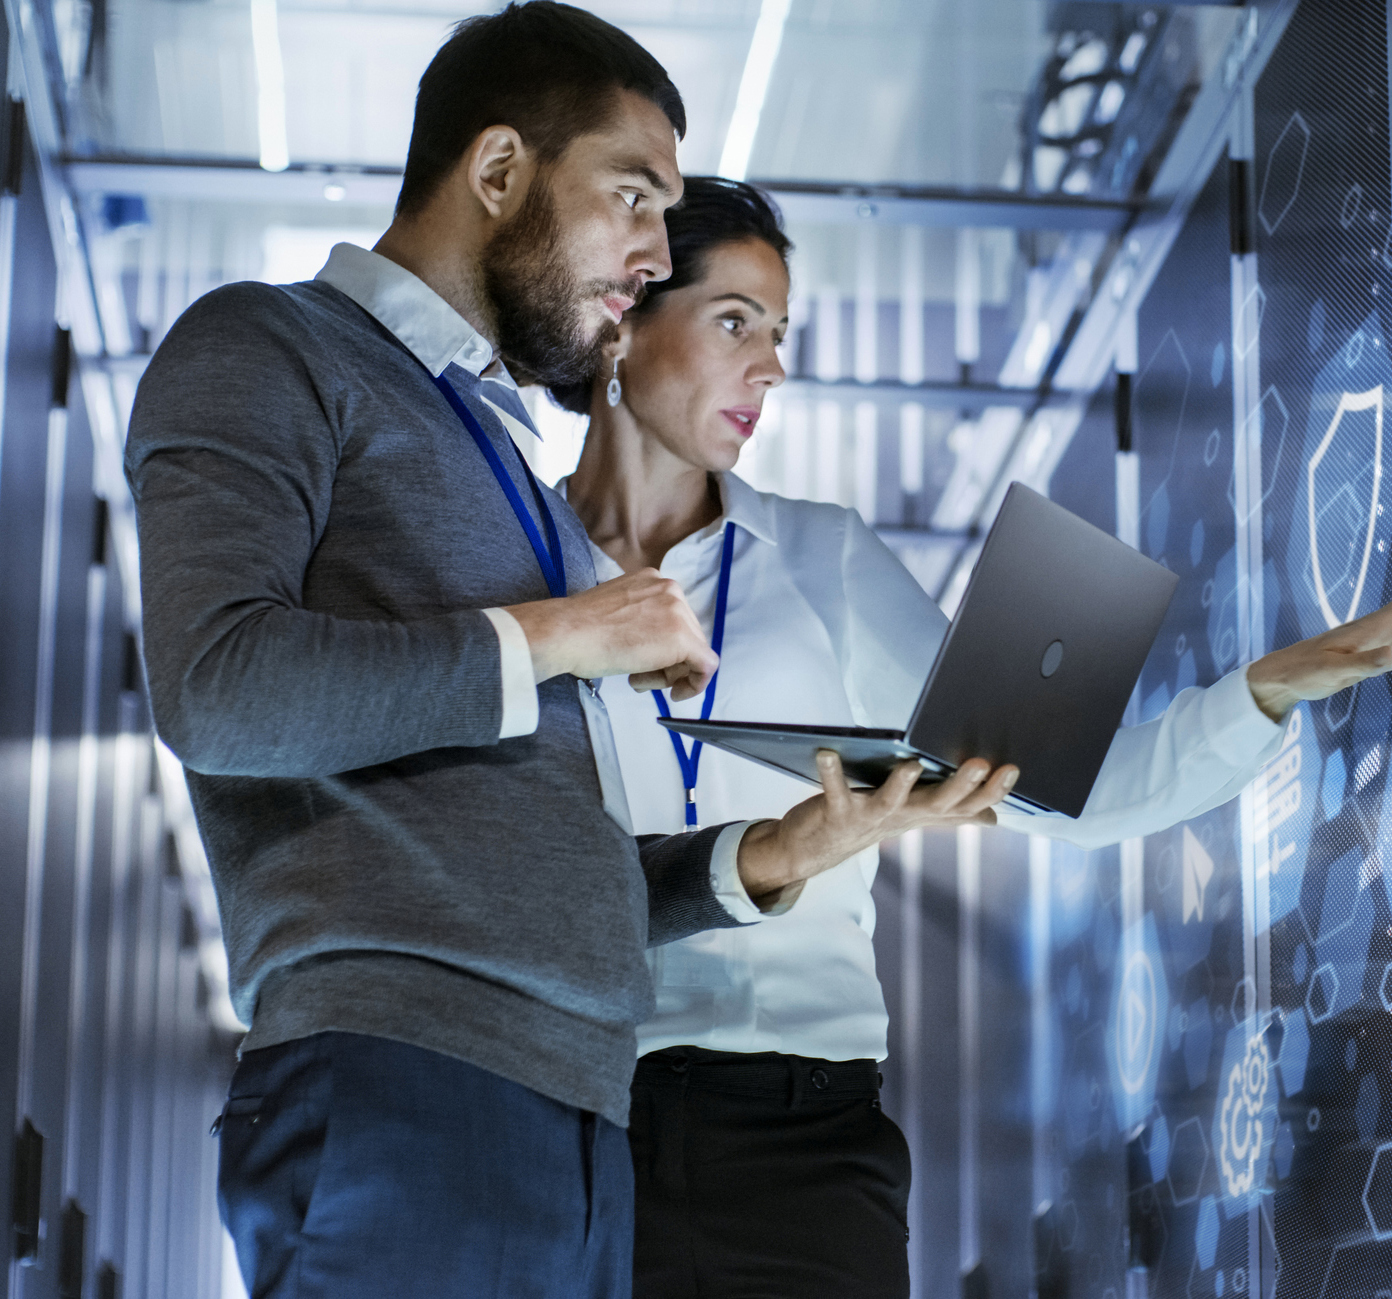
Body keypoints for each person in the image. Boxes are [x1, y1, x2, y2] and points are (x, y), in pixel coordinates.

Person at [124, 11, 1013, 1298]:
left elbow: (547, 865)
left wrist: (775, 857)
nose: (651, 253)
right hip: (405, 1082)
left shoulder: (510, 475)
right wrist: (567, 632)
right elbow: (219, 688)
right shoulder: (268, 346)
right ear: (497, 174)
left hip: (580, 1120)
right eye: (632, 198)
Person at [549, 176, 1392, 1298]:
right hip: (575, 1121)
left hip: (803, 1135)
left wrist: (1277, 684)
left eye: (781, 335)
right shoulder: (513, 575)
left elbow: (1070, 794)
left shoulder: (823, 560)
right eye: (734, 322)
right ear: (625, 317)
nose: (770, 368)